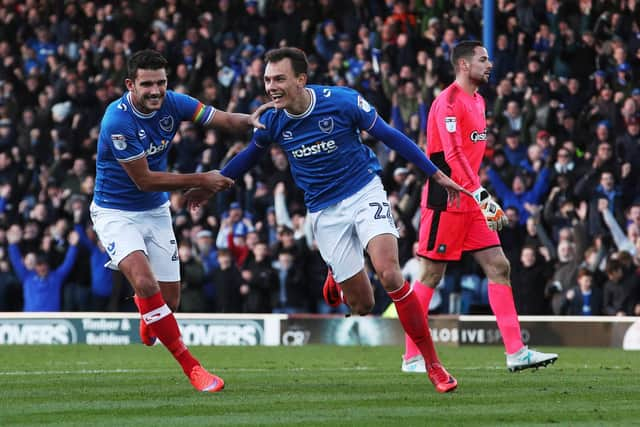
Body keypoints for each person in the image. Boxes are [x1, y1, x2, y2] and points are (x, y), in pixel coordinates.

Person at [187, 47, 470, 393]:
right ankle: (336, 275)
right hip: (323, 211)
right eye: (267, 79)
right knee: (363, 306)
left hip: (364, 191)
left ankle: (433, 364)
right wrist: (209, 187)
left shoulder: (342, 101)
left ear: (301, 79)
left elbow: (390, 135)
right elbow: (249, 157)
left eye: (279, 78)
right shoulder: (273, 120)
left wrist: (434, 173)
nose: (271, 86)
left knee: (390, 273)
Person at [90, 49, 269, 393]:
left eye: (161, 82)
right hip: (115, 212)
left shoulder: (175, 102)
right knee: (145, 282)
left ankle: (149, 313)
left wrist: (252, 120)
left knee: (169, 304)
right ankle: (194, 368)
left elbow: (221, 119)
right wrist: (202, 180)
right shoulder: (117, 121)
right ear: (131, 85)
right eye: (147, 84)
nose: (156, 90)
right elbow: (144, 179)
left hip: (155, 212)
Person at [405, 41, 558, 373]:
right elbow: (452, 156)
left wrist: (477, 196)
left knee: (499, 266)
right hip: (445, 199)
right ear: (463, 64)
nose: (489, 64)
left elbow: (470, 158)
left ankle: (516, 352)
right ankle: (411, 356)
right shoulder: (446, 102)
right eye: (483, 59)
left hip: (472, 200)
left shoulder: (479, 100)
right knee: (431, 274)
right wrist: (483, 195)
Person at [6, 224, 79, 312]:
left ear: (48, 266)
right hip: (30, 320)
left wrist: (73, 246)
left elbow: (68, 263)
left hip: (52, 321)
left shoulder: (56, 277)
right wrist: (12, 245)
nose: (41, 268)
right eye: (39, 265)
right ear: (35, 266)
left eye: (44, 265)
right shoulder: (27, 277)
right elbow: (16, 261)